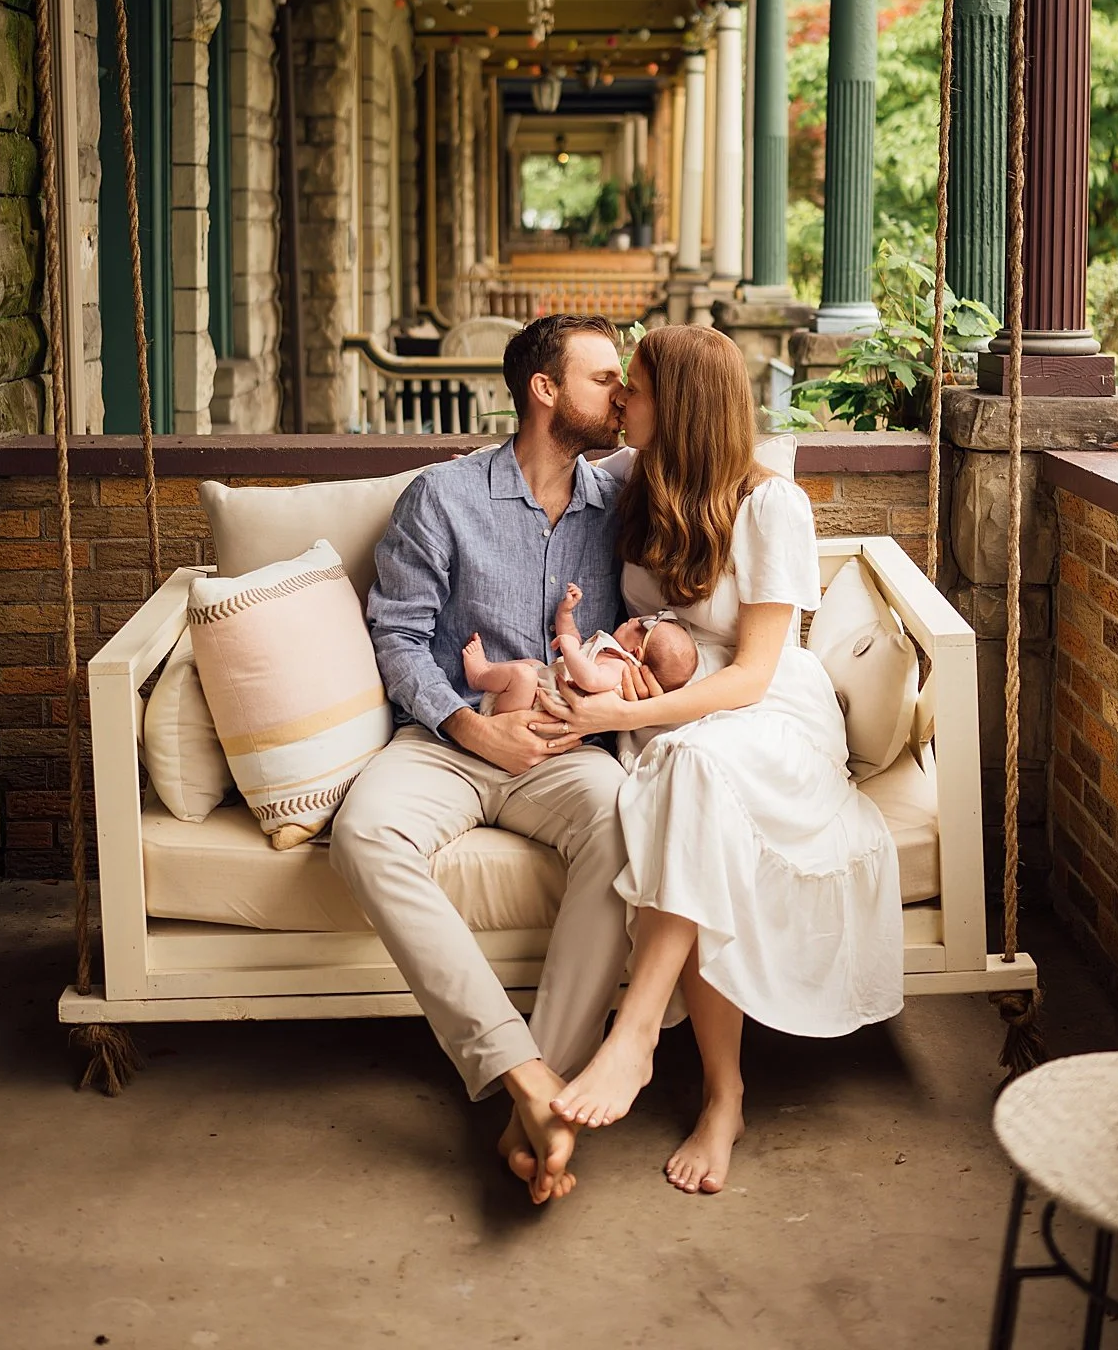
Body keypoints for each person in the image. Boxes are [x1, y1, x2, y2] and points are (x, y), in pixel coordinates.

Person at [540, 324, 904, 1195]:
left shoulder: (771, 506)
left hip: (765, 714)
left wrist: (624, 715)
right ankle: (723, 1095)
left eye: (635, 388)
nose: (622, 399)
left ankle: (633, 1039)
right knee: (688, 787)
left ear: (685, 408)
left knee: (693, 771)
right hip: (666, 721)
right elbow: (536, 472)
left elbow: (752, 672)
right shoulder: (631, 478)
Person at [330, 314, 632, 1208]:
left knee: (626, 823)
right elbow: (397, 636)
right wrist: (468, 726)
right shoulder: (442, 497)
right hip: (448, 743)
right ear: (545, 390)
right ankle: (523, 1076)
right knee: (364, 832)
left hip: (563, 752)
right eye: (603, 378)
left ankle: (535, 1106)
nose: (619, 396)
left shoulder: (618, 503)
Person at [462, 584, 699, 713]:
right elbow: (572, 638)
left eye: (641, 627)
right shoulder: (606, 651)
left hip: (529, 711)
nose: (635, 619)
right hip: (533, 691)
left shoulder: (618, 669)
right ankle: (491, 670)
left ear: (636, 654)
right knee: (533, 666)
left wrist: (570, 651)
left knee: (524, 675)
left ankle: (480, 675)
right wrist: (565, 613)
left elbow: (591, 680)